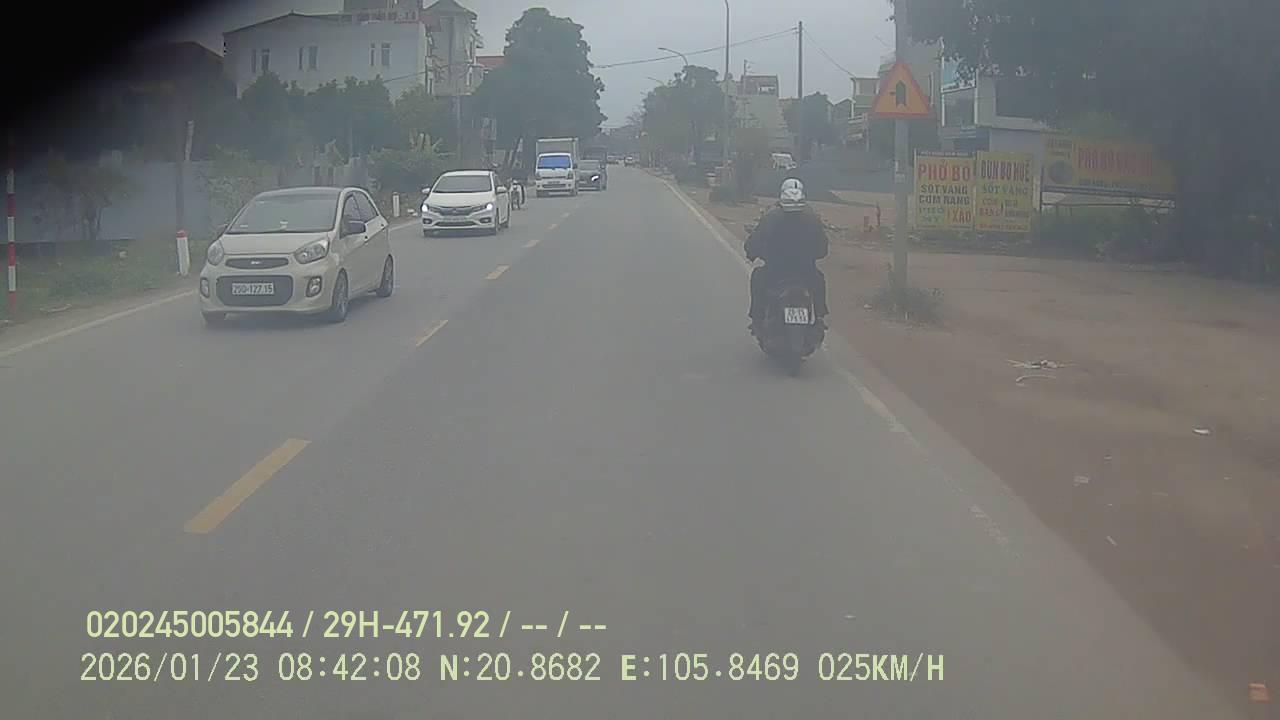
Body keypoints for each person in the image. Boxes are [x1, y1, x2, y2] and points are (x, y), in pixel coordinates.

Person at [744, 178, 829, 333]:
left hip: (775, 272)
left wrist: (752, 252)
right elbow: (822, 248)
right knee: (819, 281)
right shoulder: (812, 218)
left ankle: (757, 318)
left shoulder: (771, 217)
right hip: (805, 272)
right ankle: (819, 318)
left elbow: (755, 241)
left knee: (757, 278)